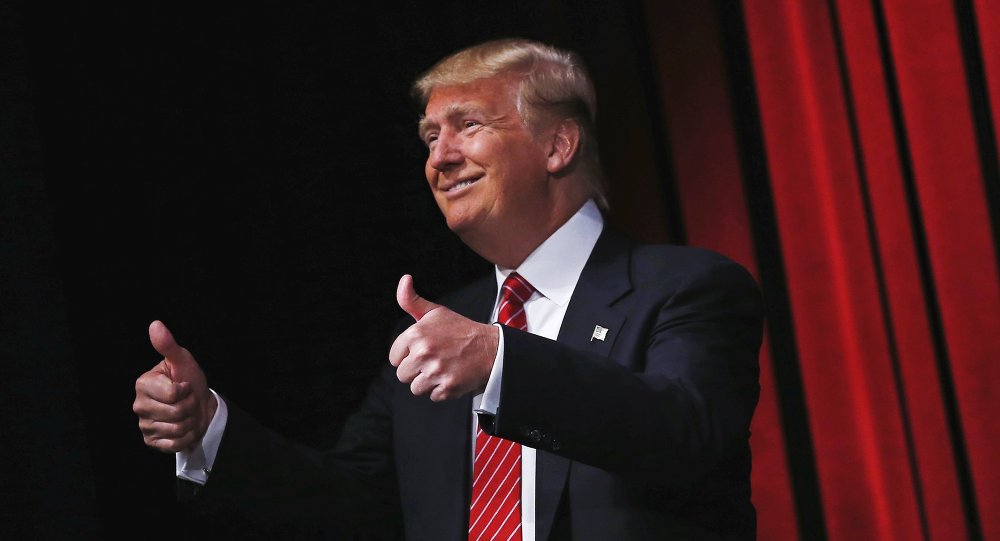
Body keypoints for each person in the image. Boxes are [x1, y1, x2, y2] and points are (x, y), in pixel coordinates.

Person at [133, 38, 763, 540]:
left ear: (558, 145)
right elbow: (353, 505)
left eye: (467, 125)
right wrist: (209, 429)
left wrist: (501, 361)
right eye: (430, 137)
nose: (440, 157)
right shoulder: (438, 331)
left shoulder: (687, 288)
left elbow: (684, 435)